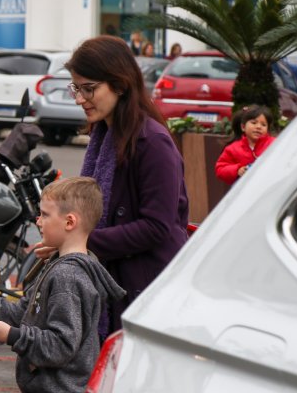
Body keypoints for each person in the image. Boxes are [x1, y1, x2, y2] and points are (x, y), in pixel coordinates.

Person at [35, 35, 188, 337]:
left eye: (89, 89)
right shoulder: (104, 136)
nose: (80, 99)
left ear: (119, 84)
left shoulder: (152, 142)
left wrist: (79, 242)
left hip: (146, 290)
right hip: (117, 284)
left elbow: (157, 226)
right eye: (76, 88)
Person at [0, 177, 125, 393]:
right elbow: (23, 312)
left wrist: (12, 335)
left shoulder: (67, 277)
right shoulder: (57, 265)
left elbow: (61, 346)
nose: (38, 221)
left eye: (45, 215)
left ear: (69, 222)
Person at [215, 105, 275, 185]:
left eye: (263, 125)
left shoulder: (275, 144)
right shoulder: (233, 148)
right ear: (243, 127)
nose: (258, 127)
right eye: (254, 123)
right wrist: (237, 170)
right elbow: (220, 169)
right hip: (243, 190)